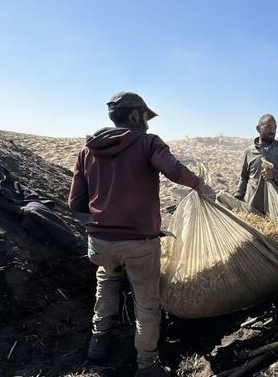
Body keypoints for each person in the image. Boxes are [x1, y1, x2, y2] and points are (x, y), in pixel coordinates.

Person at [68, 92, 203, 377]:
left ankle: (97, 345)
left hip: (100, 244)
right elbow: (174, 171)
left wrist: (98, 224)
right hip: (139, 244)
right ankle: (147, 365)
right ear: (134, 116)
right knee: (147, 304)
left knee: (106, 283)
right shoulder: (147, 142)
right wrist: (199, 185)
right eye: (145, 117)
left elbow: (74, 204)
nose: (148, 123)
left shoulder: (87, 150)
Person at [234, 114, 278, 214]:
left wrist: (274, 174)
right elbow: (243, 178)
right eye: (269, 127)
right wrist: (237, 198)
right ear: (258, 129)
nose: (273, 130)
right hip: (253, 209)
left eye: (275, 127)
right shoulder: (249, 152)